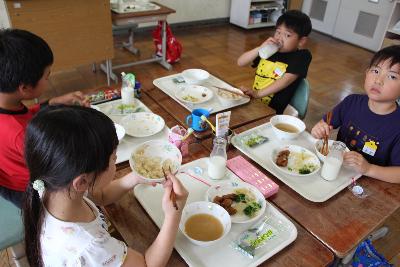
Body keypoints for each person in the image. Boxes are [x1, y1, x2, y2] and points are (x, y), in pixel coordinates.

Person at [22, 105, 188, 267]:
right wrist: (174, 214)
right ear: (82, 182)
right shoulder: (91, 248)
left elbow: (100, 196)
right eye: (114, 159)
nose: (115, 163)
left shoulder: (53, 184)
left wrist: (135, 178)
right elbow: (147, 264)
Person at [0, 28, 88, 207]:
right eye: (47, 76)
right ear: (24, 88)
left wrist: (52, 102)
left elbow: (24, 115)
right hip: (29, 191)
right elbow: (54, 164)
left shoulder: (7, 103)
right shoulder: (20, 135)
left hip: (11, 174)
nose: (49, 79)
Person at [311, 45, 400, 184]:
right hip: (335, 172)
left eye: (392, 76)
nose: (378, 80)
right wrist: (320, 128)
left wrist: (369, 169)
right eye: (376, 71)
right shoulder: (352, 102)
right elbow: (326, 123)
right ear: (366, 73)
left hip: (368, 185)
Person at [237, 10, 312, 114]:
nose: (279, 38)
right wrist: (260, 48)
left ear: (301, 41)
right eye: (278, 32)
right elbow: (240, 62)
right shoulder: (270, 51)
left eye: (287, 35)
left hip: (272, 112)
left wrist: (257, 94)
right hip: (255, 103)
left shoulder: (301, 56)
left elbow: (286, 80)